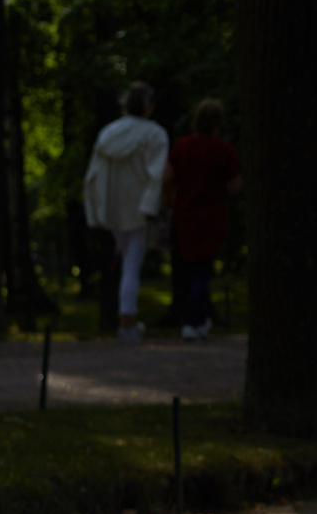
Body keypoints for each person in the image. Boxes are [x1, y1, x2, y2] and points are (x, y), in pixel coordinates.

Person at [81, 81, 171, 341]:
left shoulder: (110, 133)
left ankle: (127, 319)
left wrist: (97, 206)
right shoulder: (154, 134)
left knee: (127, 263)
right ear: (148, 106)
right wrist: (151, 206)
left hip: (114, 207)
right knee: (132, 264)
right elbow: (156, 174)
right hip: (139, 207)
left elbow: (94, 174)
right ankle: (127, 320)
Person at [166, 99, 242, 340]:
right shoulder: (223, 150)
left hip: (184, 216)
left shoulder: (182, 146)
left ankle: (193, 320)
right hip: (211, 218)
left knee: (187, 271)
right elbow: (234, 186)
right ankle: (194, 320)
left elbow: (167, 177)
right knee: (202, 271)